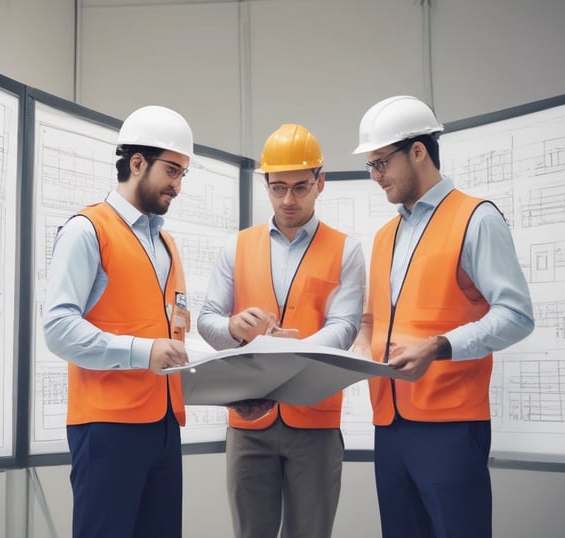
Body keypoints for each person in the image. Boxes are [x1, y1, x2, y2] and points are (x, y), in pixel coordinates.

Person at [350, 95, 535, 538]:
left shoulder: (476, 218)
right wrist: (348, 355)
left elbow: (516, 314)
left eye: (381, 163)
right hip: (390, 425)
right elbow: (374, 321)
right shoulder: (384, 236)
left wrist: (439, 346)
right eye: (370, 166)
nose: (376, 177)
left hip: (451, 427)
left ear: (418, 151)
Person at [198, 123, 366, 538]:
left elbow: (344, 326)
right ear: (266, 184)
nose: (288, 199)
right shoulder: (236, 247)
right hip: (248, 422)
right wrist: (234, 327)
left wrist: (297, 352)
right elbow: (207, 319)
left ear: (320, 182)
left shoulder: (347, 250)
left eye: (300, 187)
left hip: (315, 422)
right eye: (277, 188)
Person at [42, 105, 194, 538]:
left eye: (183, 174)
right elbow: (58, 328)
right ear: (137, 163)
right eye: (171, 171)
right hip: (107, 429)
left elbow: (171, 334)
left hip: (164, 426)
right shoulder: (87, 231)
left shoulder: (166, 243)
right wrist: (142, 352)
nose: (177, 185)